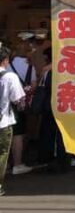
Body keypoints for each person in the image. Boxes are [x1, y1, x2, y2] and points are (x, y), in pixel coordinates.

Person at [0, 44, 27, 196]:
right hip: (3, 121)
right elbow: (18, 99)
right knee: (2, 153)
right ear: (5, 60)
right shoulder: (10, 77)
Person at [8, 39, 36, 176]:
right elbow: (34, 85)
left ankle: (7, 162)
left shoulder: (8, 65)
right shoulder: (30, 67)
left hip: (6, 104)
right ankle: (17, 164)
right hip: (20, 105)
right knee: (18, 134)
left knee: (7, 133)